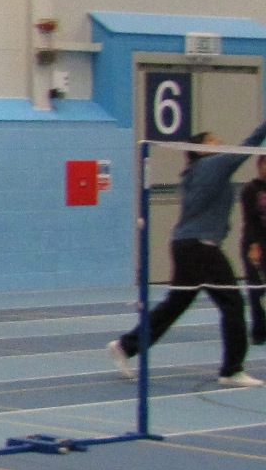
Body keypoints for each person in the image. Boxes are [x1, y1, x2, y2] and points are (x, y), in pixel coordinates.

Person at [110, 118, 266, 389]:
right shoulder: (212, 165)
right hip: (200, 248)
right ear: (200, 149)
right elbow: (249, 145)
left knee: (175, 304)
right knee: (232, 303)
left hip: (184, 246)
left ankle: (125, 346)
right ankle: (232, 370)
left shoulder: (195, 172)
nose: (219, 142)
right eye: (212, 140)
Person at [240, 156, 266, 347]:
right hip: (255, 244)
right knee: (257, 289)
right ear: (259, 166)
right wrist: (254, 246)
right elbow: (250, 221)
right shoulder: (250, 189)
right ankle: (259, 331)